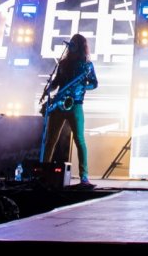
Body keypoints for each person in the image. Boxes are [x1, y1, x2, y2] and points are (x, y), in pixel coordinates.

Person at [41, 33, 98, 188]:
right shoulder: (63, 63)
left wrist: (82, 86)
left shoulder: (87, 65)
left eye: (75, 43)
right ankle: (43, 174)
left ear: (81, 46)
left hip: (76, 103)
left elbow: (94, 83)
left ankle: (84, 177)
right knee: (50, 140)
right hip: (60, 103)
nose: (72, 45)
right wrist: (49, 88)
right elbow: (57, 82)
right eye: (71, 42)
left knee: (79, 140)